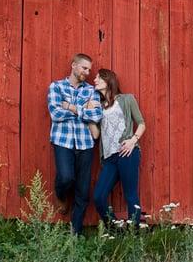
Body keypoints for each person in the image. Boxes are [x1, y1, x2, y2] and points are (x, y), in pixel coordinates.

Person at [47, 53, 103, 235]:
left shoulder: (91, 91)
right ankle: (61, 195)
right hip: (62, 141)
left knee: (83, 190)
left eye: (89, 69)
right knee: (65, 177)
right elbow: (55, 114)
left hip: (85, 144)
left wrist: (70, 107)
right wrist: (83, 110)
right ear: (73, 65)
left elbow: (96, 115)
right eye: (84, 68)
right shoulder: (56, 87)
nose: (87, 72)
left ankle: (75, 234)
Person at [90, 69, 146, 226]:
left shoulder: (127, 99)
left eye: (98, 77)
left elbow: (141, 123)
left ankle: (134, 233)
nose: (95, 80)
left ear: (108, 81)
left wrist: (133, 140)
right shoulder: (99, 107)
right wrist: (89, 115)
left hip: (126, 152)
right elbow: (95, 135)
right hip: (109, 158)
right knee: (99, 196)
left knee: (130, 194)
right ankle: (114, 229)